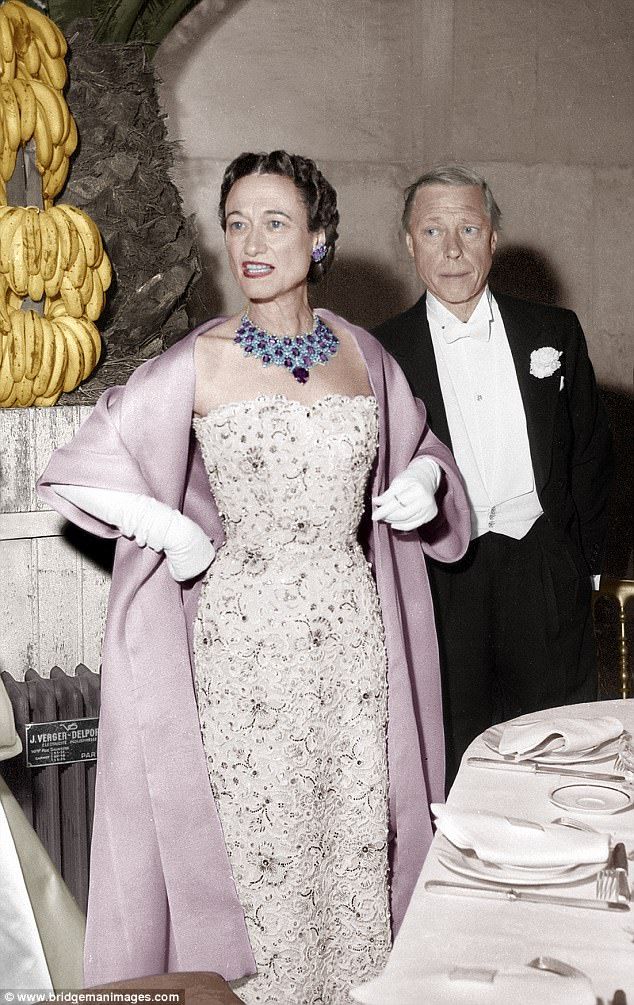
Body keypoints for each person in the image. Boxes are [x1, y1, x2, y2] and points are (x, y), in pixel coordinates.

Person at [37, 151, 470, 1004]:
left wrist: (421, 482)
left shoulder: (363, 351)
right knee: (258, 848)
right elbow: (75, 468)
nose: (251, 242)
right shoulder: (200, 361)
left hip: (352, 636)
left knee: (354, 841)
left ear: (318, 237)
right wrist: (167, 528)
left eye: (275, 222)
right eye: (236, 223)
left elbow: (421, 449)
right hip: (245, 642)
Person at [374, 165, 613, 788]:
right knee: (458, 767)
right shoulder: (382, 353)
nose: (451, 250)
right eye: (432, 231)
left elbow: (590, 456)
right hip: (444, 583)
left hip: (543, 570)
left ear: (493, 240)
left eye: (468, 229)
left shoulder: (553, 331)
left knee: (559, 758)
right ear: (409, 242)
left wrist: (588, 571)